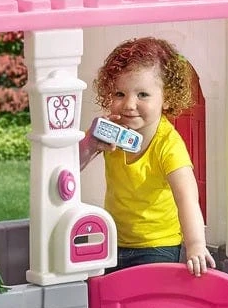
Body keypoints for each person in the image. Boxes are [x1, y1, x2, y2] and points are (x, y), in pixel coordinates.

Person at [79, 36, 214, 276]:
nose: (129, 104)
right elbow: (71, 167)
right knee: (105, 290)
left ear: (166, 98)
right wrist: (90, 145)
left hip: (157, 245)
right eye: (119, 94)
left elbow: (187, 198)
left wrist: (195, 245)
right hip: (114, 240)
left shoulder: (168, 145)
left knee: (143, 289)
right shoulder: (110, 132)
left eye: (142, 94)